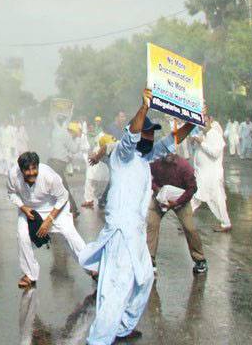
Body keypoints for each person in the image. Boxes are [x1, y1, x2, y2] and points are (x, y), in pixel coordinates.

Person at [79, 89, 196, 344]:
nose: (150, 135)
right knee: (117, 288)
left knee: (144, 280)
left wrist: (193, 120)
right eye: (146, 130)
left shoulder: (146, 157)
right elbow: (131, 135)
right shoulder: (124, 153)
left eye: (152, 131)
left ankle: (123, 327)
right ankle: (98, 339)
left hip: (135, 231)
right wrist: (143, 107)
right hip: (121, 232)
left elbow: (174, 139)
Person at [7, 151, 92, 288]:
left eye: (34, 168)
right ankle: (30, 274)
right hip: (29, 208)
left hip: (54, 206)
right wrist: (23, 207)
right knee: (22, 236)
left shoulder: (49, 176)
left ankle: (92, 268)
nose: (31, 172)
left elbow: (63, 197)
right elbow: (11, 194)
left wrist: (49, 220)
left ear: (38, 166)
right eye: (27, 170)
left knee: (70, 234)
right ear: (20, 169)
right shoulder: (13, 175)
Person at [147, 153, 207, 275]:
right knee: (152, 224)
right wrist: (157, 189)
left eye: (170, 152)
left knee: (189, 227)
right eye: (164, 152)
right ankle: (149, 260)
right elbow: (148, 176)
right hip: (161, 196)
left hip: (180, 198)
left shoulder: (184, 166)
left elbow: (192, 188)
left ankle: (200, 259)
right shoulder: (156, 163)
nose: (167, 155)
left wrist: (177, 202)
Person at [190, 116, 232, 232]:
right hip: (202, 173)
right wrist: (194, 142)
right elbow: (197, 151)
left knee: (217, 199)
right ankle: (186, 221)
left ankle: (226, 223)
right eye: (199, 123)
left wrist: (202, 143)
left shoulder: (215, 134)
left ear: (210, 121)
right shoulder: (200, 134)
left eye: (204, 122)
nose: (201, 125)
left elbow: (215, 153)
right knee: (196, 196)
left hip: (213, 174)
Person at [47, 117, 81, 216]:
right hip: (58, 164)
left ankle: (70, 209)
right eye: (75, 133)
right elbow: (74, 149)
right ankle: (72, 209)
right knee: (63, 188)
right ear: (73, 131)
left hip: (52, 162)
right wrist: (78, 138)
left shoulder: (57, 131)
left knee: (55, 187)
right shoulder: (66, 135)